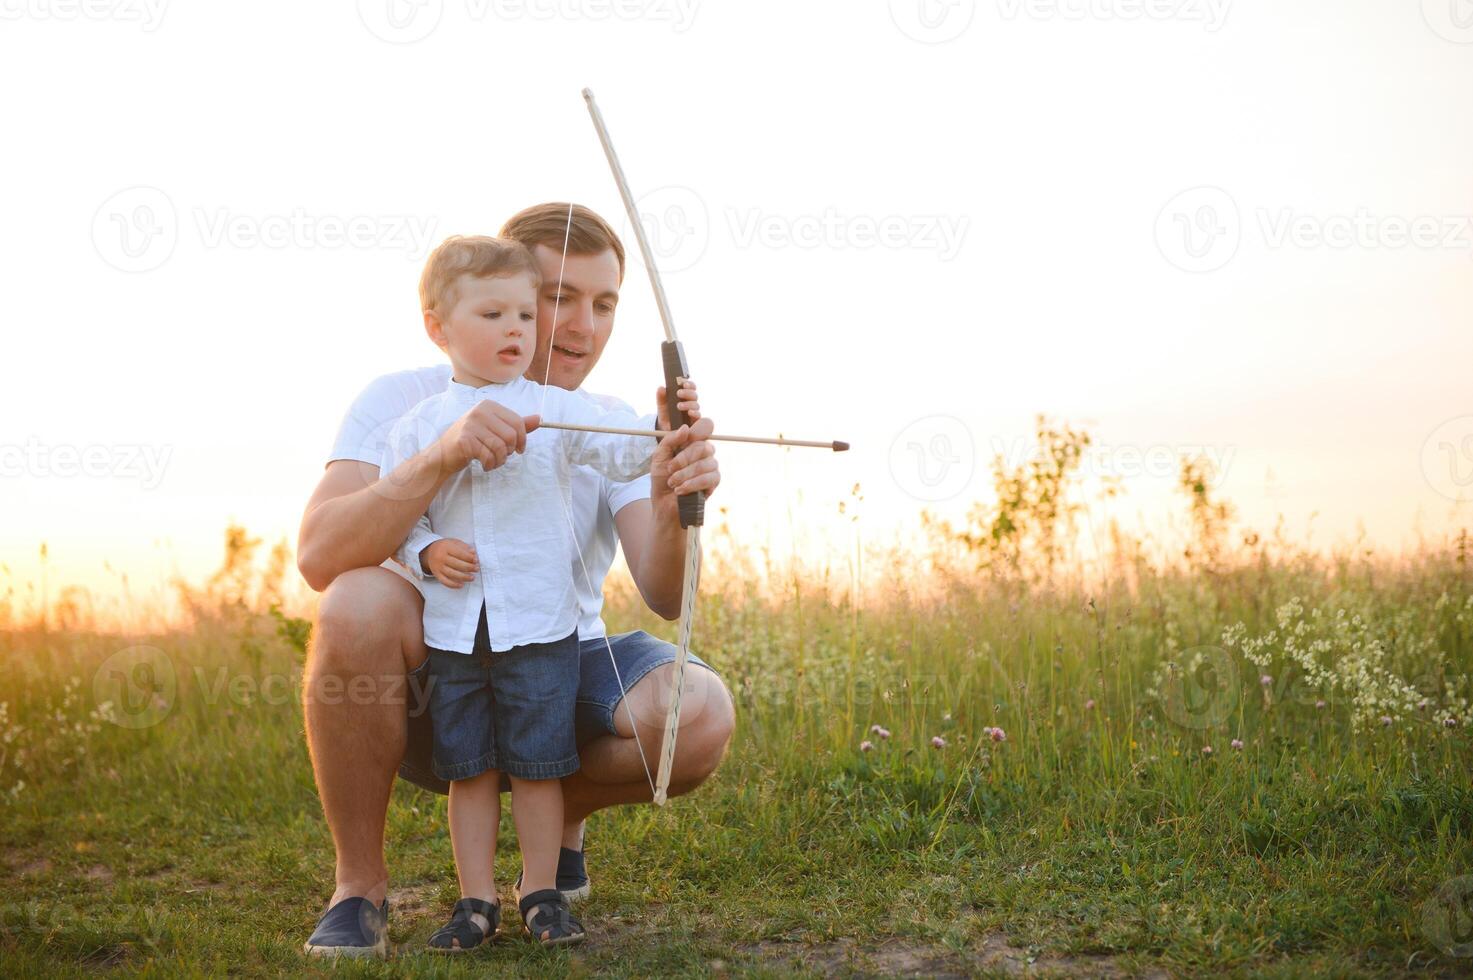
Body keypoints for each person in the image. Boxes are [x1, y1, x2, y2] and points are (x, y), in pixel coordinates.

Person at [298, 204, 734, 958]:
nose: (578, 326)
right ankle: (358, 887)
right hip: (444, 656)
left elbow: (665, 591)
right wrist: (439, 456)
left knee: (696, 713)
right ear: (462, 311)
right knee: (355, 599)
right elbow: (319, 555)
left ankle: (551, 837)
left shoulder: (604, 418)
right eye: (556, 297)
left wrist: (674, 493)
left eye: (603, 304)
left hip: (561, 650)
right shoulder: (403, 401)